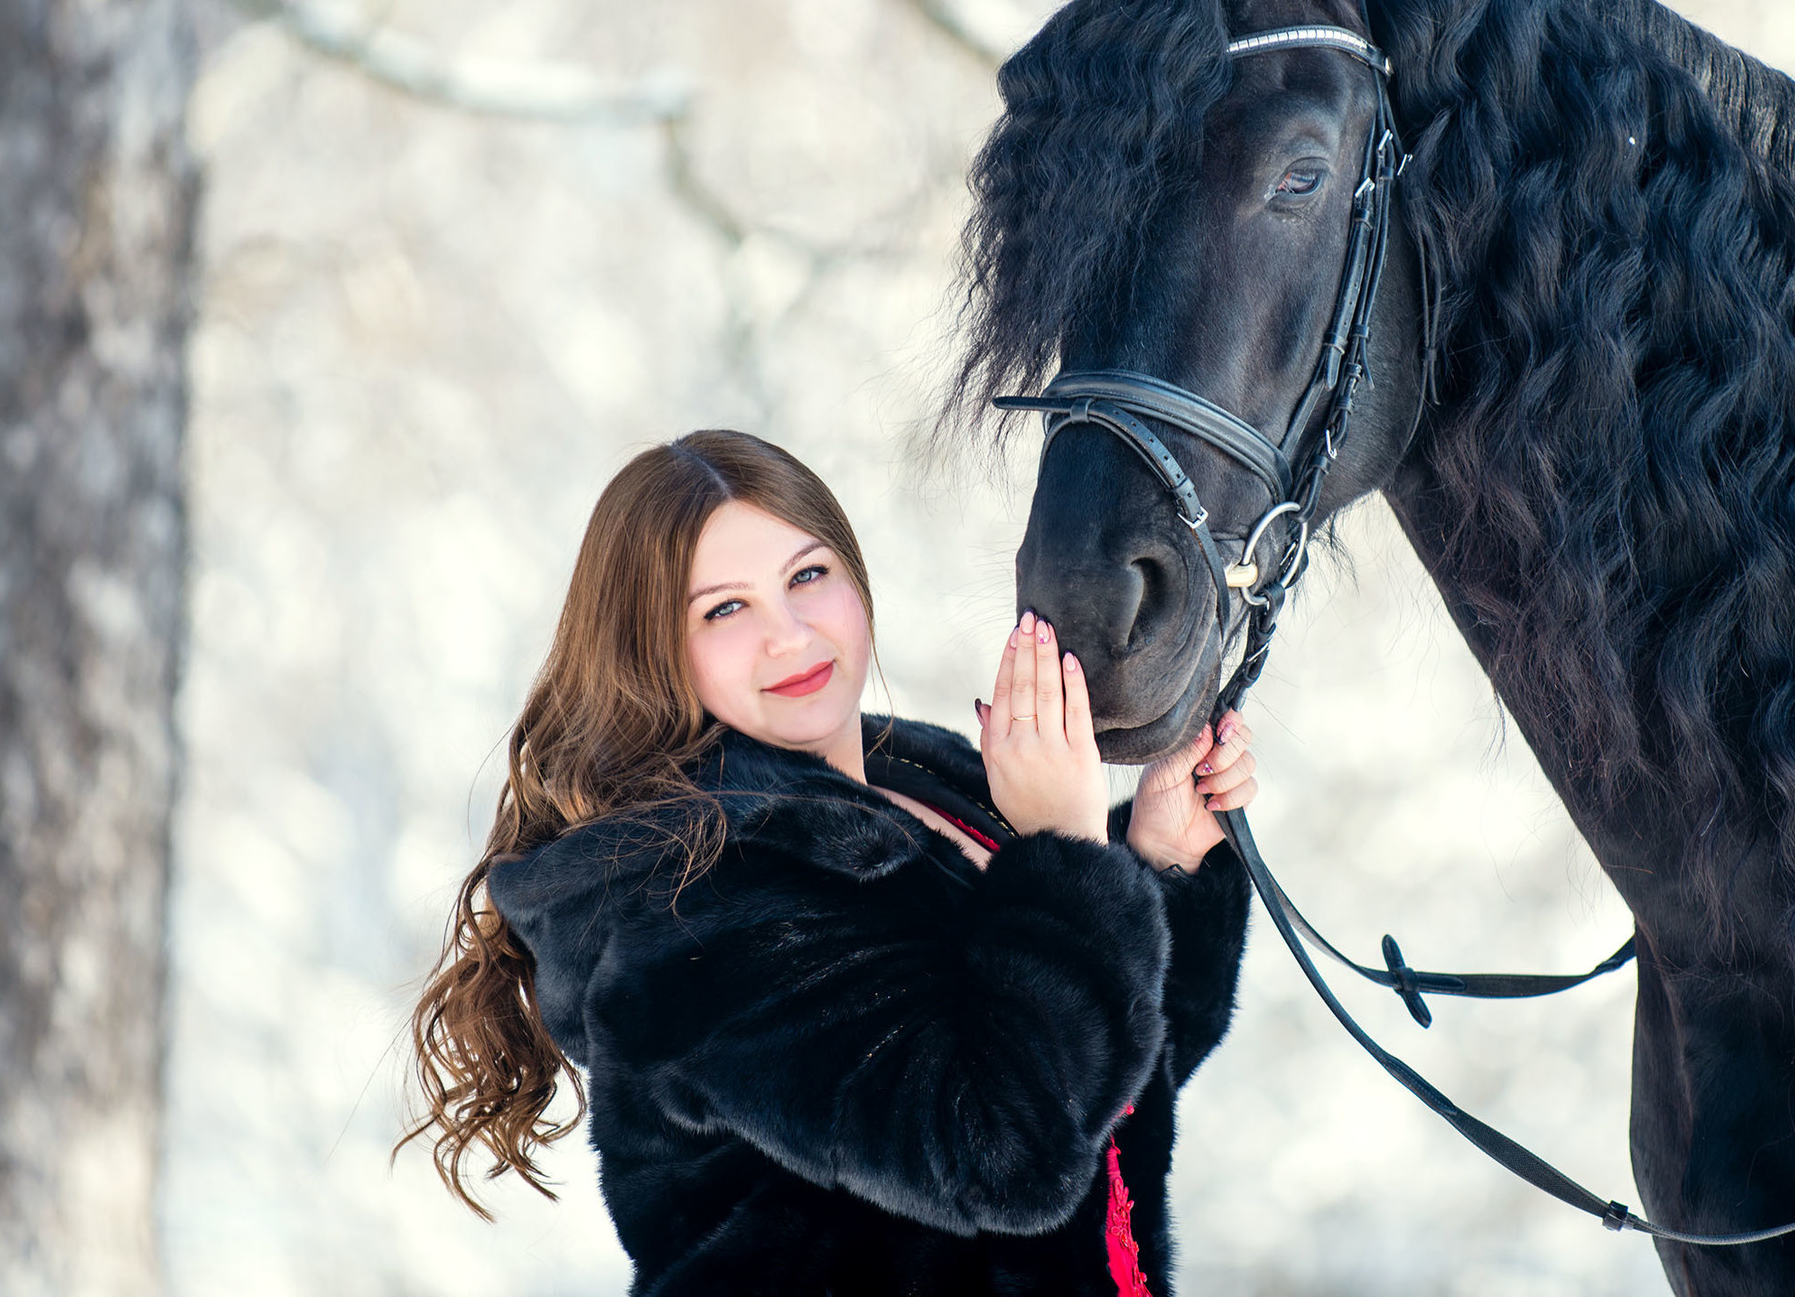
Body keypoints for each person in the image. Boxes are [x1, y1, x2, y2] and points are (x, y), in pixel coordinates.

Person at [402, 430, 1257, 1295]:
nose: (790, 633)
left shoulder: (920, 781)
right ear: (654, 649)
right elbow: (1005, 1153)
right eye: (724, 609)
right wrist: (1067, 853)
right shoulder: (693, 893)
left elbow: (1095, 1087)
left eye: (808, 575)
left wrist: (1158, 860)